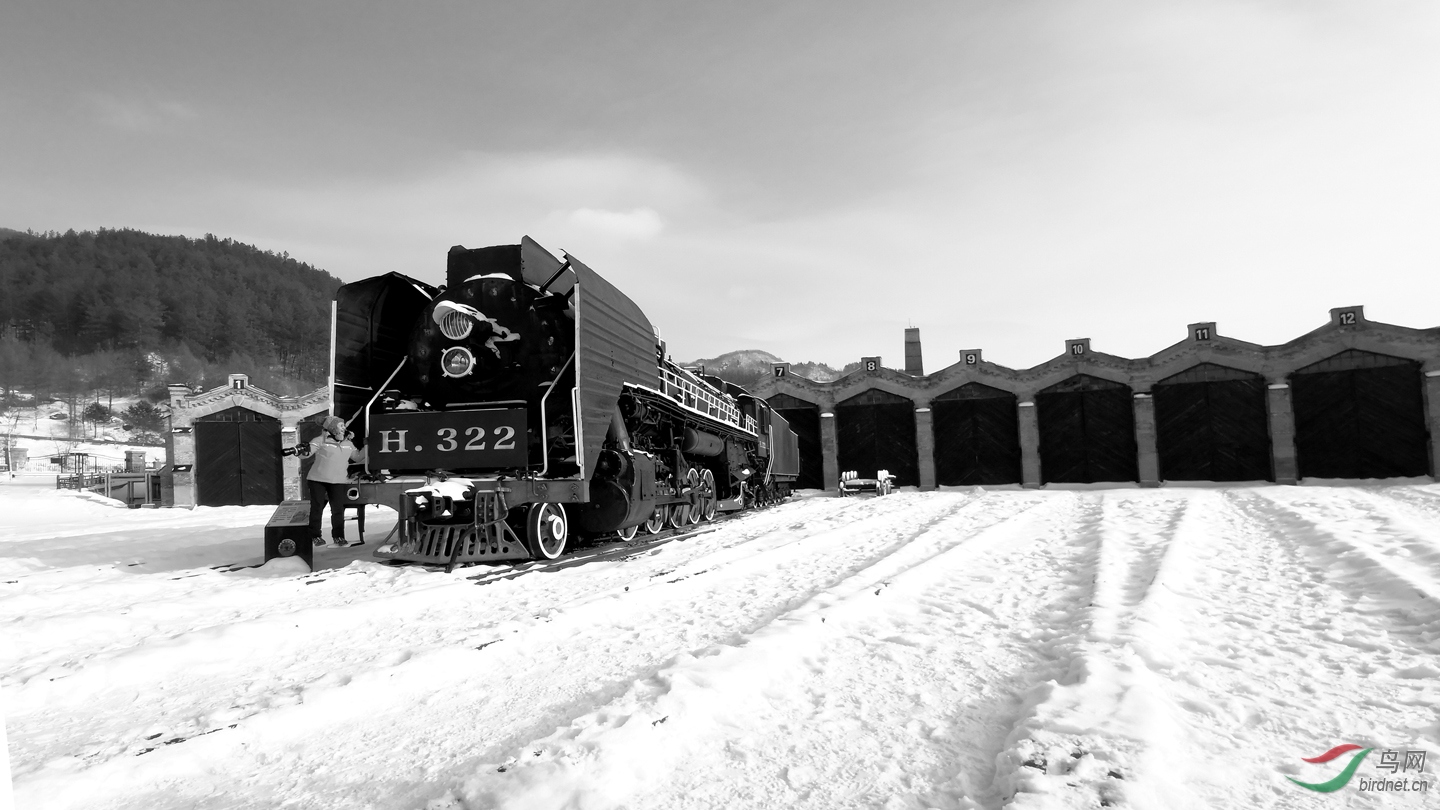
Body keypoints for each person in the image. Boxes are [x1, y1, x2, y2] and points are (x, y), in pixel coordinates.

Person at [296, 416, 367, 547]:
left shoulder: (348, 443)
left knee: (338, 509)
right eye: (341, 425)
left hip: (338, 481)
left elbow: (357, 458)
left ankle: (338, 536)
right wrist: (300, 450)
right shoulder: (320, 441)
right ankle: (315, 536)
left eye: (343, 425)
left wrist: (367, 445)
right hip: (317, 480)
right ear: (333, 428)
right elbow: (305, 454)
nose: (344, 427)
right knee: (317, 508)